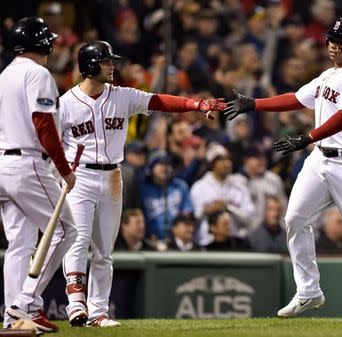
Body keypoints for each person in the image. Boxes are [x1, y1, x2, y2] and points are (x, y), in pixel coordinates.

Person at [225, 17, 342, 324]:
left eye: (341, 41)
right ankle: (309, 290)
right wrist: (254, 104)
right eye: (331, 39)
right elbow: (296, 98)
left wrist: (306, 138)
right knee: (294, 218)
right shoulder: (330, 74)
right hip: (322, 158)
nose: (333, 44)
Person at [58, 40, 226, 328]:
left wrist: (196, 104)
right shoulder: (65, 104)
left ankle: (97, 312)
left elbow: (159, 101)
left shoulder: (122, 96)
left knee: (104, 250)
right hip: (80, 177)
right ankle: (75, 303)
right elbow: (50, 143)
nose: (112, 66)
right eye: (106, 61)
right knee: (78, 239)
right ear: (89, 65)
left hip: (113, 176)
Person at [0, 17, 77, 333]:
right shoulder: (38, 73)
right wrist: (64, 169)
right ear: (42, 44)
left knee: (20, 241)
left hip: (3, 162)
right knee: (65, 230)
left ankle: (12, 316)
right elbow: (43, 124)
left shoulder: (5, 75)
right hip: (28, 163)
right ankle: (25, 303)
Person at [140, 150, 194, 240]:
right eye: (160, 163)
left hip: (177, 240)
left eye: (168, 164)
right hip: (151, 240)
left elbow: (187, 212)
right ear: (151, 167)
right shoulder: (143, 189)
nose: (165, 167)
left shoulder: (180, 186)